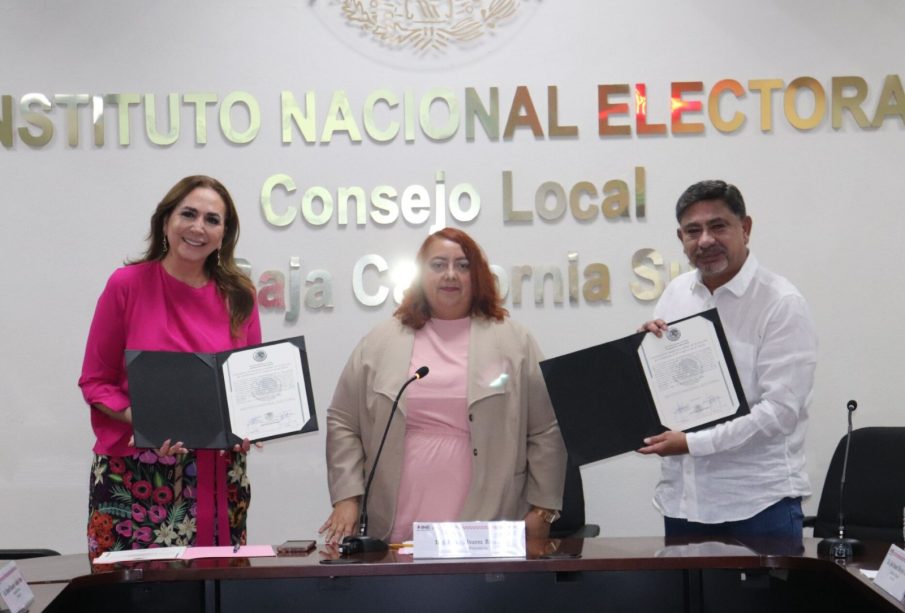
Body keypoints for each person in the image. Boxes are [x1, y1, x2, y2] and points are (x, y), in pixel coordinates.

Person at [320, 228, 567, 545]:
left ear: (476, 275)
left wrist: (543, 509)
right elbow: (342, 420)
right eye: (438, 265)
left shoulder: (513, 342)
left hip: (489, 523)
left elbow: (546, 429)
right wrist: (347, 498)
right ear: (421, 274)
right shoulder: (380, 342)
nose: (451, 275)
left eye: (463, 266)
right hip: (396, 522)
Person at [79, 175, 261, 560]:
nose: (198, 227)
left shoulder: (239, 295)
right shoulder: (125, 285)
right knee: (130, 599)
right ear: (166, 221)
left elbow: (249, 385)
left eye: (213, 219)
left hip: (217, 475)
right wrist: (146, 421)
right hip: (133, 477)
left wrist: (250, 424)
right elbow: (96, 382)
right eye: (188, 214)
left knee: (212, 594)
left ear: (224, 234)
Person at [637, 180, 818, 541]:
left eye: (718, 226)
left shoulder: (780, 303)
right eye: (693, 231)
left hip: (757, 505)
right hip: (683, 503)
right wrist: (645, 353)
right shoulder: (675, 295)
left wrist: (691, 444)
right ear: (681, 237)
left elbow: (779, 413)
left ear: (745, 228)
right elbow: (666, 390)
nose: (705, 240)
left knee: (763, 602)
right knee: (685, 600)